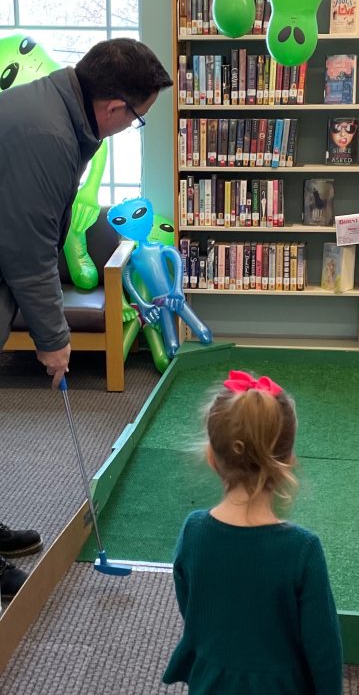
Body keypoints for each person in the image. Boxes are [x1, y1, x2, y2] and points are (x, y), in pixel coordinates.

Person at [0, 38, 172, 600]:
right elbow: (29, 251)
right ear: (113, 107)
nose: (132, 128)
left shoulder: (60, 114)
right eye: (139, 119)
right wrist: (53, 339)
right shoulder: (48, 135)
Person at [163, 370, 343, 694]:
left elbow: (193, 610)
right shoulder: (302, 550)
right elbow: (324, 648)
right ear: (287, 460)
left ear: (211, 457)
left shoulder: (193, 532)